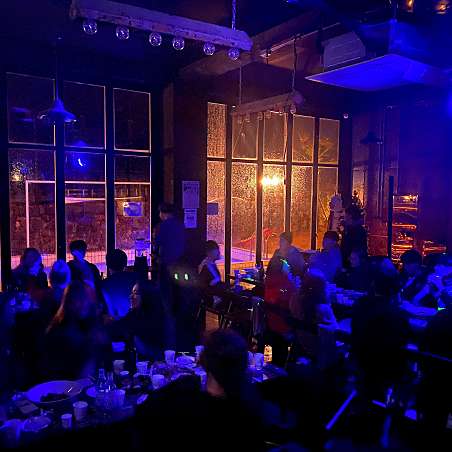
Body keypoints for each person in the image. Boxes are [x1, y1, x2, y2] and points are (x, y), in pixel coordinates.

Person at [134, 329, 264, 451]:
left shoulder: (185, 398)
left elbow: (143, 412)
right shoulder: (252, 405)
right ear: (243, 365)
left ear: (203, 361)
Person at [351, 259, 410, 399]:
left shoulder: (360, 304)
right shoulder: (396, 314)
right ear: (394, 291)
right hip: (386, 367)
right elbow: (403, 339)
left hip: (361, 360)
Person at [43, 281, 108, 380]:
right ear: (69, 302)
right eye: (79, 300)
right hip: (66, 384)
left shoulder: (84, 322)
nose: (85, 303)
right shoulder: (61, 330)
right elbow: (80, 370)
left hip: (84, 380)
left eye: (87, 299)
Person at [109, 280, 172, 360]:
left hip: (154, 363)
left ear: (147, 296)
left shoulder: (149, 318)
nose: (131, 296)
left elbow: (120, 328)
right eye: (132, 293)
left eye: (136, 293)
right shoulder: (136, 313)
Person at [264, 257, 297, 366]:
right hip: (284, 326)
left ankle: (267, 364)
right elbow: (294, 304)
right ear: (281, 268)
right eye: (286, 264)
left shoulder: (269, 280)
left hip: (269, 324)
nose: (289, 266)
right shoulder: (286, 283)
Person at [101, 249, 138, 318]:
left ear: (107, 264)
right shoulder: (136, 278)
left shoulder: (103, 285)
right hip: (136, 320)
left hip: (115, 322)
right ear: (125, 263)